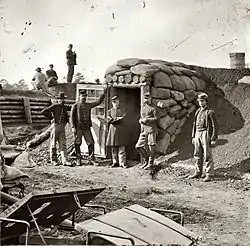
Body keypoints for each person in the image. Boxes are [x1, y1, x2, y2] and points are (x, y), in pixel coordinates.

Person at [70, 88, 107, 165]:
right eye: (82, 96)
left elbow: (98, 102)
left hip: (86, 128)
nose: (83, 97)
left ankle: (91, 159)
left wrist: (103, 93)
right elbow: (72, 117)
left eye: (85, 96)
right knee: (77, 143)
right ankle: (78, 159)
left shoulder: (88, 105)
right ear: (79, 96)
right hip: (78, 128)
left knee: (91, 142)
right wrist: (73, 127)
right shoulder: (75, 105)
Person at [188, 92, 218, 182]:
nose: (200, 103)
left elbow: (215, 126)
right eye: (199, 101)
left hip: (205, 133)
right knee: (197, 154)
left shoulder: (210, 112)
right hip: (197, 133)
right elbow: (194, 124)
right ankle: (198, 172)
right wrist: (193, 136)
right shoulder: (198, 111)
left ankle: (209, 174)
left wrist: (213, 138)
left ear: (206, 102)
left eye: (202, 101)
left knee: (207, 154)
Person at [41, 92, 71, 166]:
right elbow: (44, 111)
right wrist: (52, 118)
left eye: (63, 99)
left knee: (63, 144)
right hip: (55, 127)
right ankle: (54, 160)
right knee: (53, 144)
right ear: (58, 100)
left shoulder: (64, 107)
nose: (62, 100)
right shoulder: (55, 106)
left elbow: (72, 107)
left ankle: (65, 160)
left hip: (62, 128)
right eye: (61, 99)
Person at [135, 92, 158, 170]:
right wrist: (140, 120)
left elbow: (156, 119)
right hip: (144, 130)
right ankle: (146, 160)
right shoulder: (143, 108)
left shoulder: (153, 108)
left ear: (150, 98)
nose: (146, 100)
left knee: (151, 147)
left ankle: (150, 164)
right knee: (138, 146)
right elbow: (141, 117)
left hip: (151, 130)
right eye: (145, 98)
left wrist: (147, 120)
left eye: (148, 98)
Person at [106, 96, 127, 168]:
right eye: (114, 102)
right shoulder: (109, 111)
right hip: (113, 131)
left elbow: (124, 118)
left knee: (121, 148)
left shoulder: (122, 111)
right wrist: (116, 119)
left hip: (120, 131)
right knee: (114, 148)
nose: (116, 104)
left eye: (117, 102)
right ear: (112, 103)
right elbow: (108, 120)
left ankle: (122, 163)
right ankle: (115, 162)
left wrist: (114, 120)